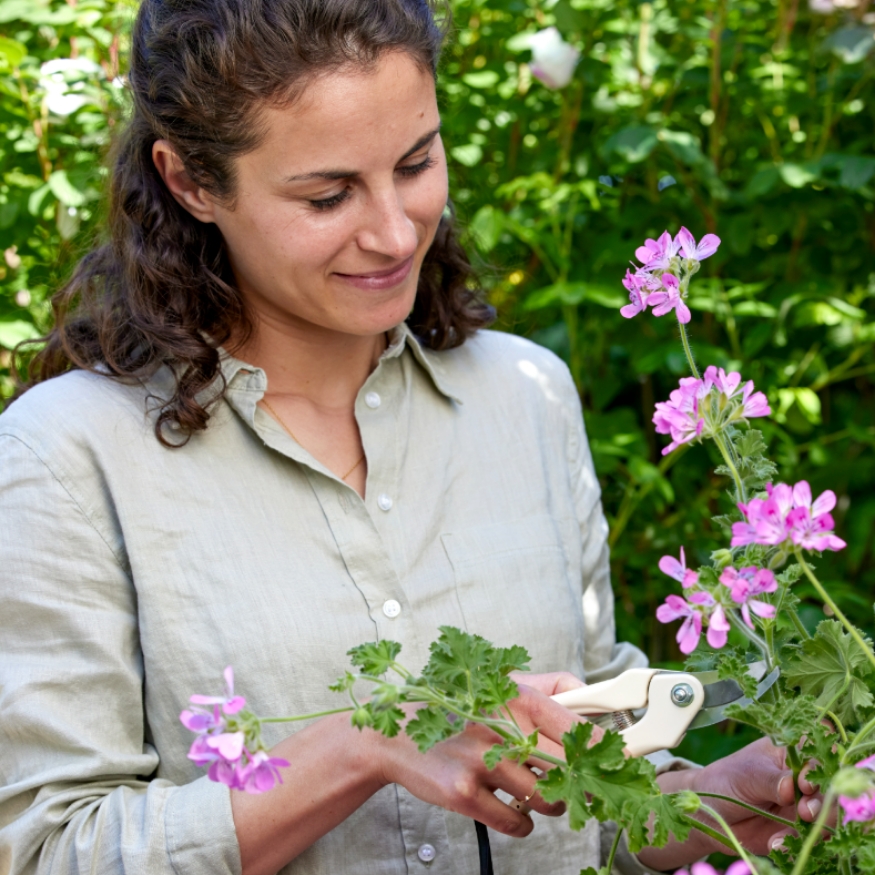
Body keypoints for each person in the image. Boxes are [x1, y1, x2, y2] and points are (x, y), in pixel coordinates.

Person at [0, 2, 823, 874]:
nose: (396, 233)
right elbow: (49, 849)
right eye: (326, 194)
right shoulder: (68, 456)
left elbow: (596, 813)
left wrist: (744, 790)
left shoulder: (526, 397)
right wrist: (367, 743)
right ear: (191, 183)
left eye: (416, 162)